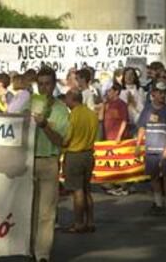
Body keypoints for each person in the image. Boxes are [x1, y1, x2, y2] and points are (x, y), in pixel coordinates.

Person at [31, 67, 69, 262]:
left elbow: (60, 141)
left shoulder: (61, 109)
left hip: (48, 161)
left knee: (46, 213)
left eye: (47, 83)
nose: (43, 87)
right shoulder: (30, 104)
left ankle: (42, 254)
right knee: (29, 210)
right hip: (27, 162)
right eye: (40, 83)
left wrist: (44, 124)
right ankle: (30, 248)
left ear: (54, 85)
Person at [136, 82, 166, 218]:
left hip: (163, 148)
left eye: (164, 92)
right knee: (154, 177)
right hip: (150, 148)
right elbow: (142, 127)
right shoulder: (147, 109)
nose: (163, 95)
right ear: (153, 93)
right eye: (160, 92)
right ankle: (158, 204)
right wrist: (137, 144)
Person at [62, 88, 98, 233]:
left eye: (67, 98)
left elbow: (67, 138)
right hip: (89, 154)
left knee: (77, 191)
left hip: (74, 155)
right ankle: (90, 221)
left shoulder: (73, 116)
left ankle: (78, 223)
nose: (65, 101)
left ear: (72, 98)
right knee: (86, 190)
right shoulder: (91, 114)